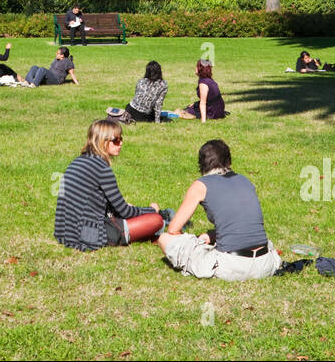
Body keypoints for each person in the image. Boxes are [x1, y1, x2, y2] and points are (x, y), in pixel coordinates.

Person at [156, 139, 281, 280]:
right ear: (228, 161)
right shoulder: (245, 180)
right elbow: (241, 222)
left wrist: (192, 242)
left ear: (201, 163)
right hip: (266, 263)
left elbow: (173, 229)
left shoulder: (201, 185)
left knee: (165, 238)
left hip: (233, 267)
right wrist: (213, 235)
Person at [54, 119, 165, 251]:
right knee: (156, 221)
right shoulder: (101, 168)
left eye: (121, 139)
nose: (121, 143)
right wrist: (151, 209)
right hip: (88, 235)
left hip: (64, 231)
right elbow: (124, 211)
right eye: (116, 140)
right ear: (103, 141)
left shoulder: (77, 161)